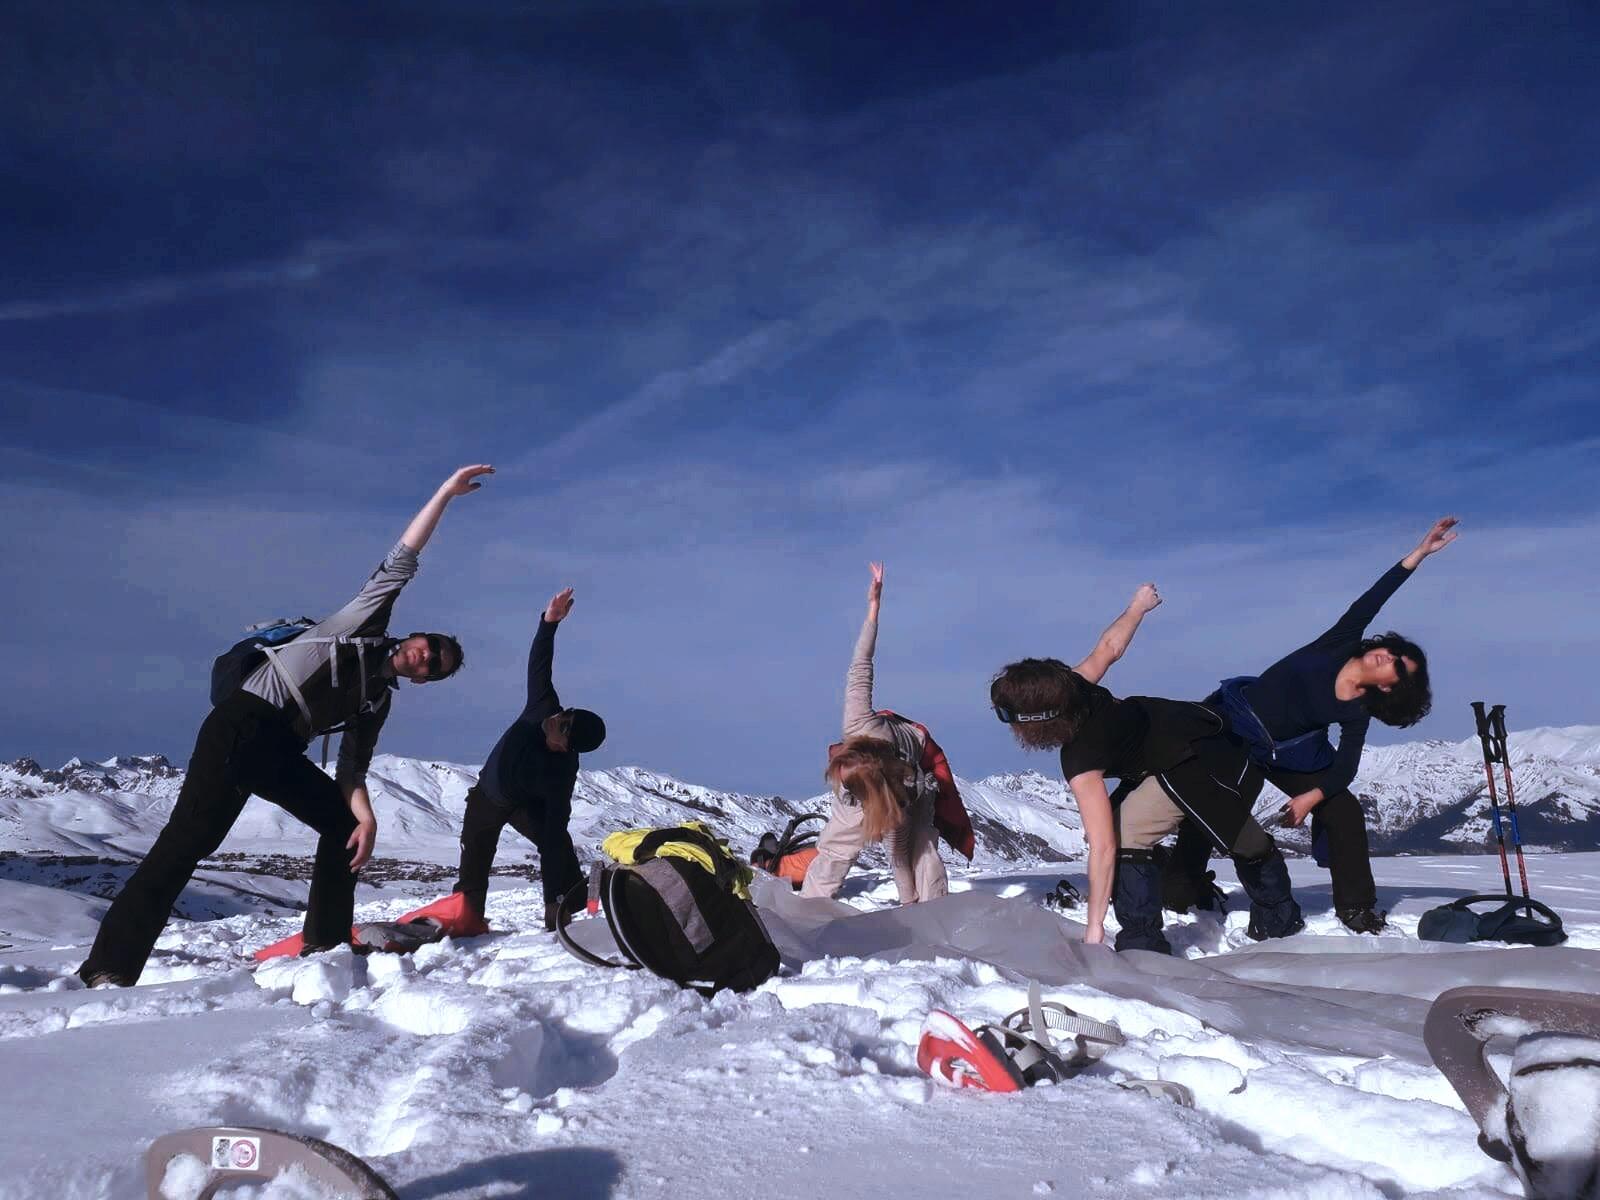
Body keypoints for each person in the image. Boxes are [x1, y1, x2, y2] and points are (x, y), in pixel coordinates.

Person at [77, 464, 492, 987]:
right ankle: (108, 968)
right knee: (185, 846)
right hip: (241, 726)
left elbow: (352, 772)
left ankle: (327, 948)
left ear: (427, 680)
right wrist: (444, 495)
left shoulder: (375, 702)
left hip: (280, 750)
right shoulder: (361, 625)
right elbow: (402, 559)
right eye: (430, 646)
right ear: (414, 636)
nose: (426, 657)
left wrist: (367, 821)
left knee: (342, 827)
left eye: (435, 665)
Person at [1166, 516, 1458, 934]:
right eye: (1393, 651)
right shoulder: (1339, 643)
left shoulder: (1359, 710)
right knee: (1214, 807)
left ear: (1394, 688)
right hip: (1234, 729)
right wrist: (1419, 554)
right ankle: (1181, 890)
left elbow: (1345, 768)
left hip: (1285, 753)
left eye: (1398, 666)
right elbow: (1373, 599)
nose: (1387, 656)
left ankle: (1356, 908)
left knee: (1343, 809)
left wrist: (1309, 799)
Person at [989, 583, 1304, 953]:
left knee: (1127, 836)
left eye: (1009, 718)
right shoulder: (1074, 687)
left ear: (1036, 721)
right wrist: (1137, 606)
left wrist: (1094, 930)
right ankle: (1279, 915)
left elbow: (1105, 847)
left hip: (1189, 762)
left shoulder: (1079, 758)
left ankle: (1142, 943)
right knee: (1240, 836)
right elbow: (1111, 647)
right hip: (1199, 733)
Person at [453, 586, 606, 932]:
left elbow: (552, 837)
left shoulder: (560, 774)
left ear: (566, 747)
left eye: (564, 725)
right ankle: (466, 919)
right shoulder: (542, 706)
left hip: (524, 805)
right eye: (565, 713)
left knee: (559, 845)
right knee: (474, 866)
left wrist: (552, 903)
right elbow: (540, 663)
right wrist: (549, 623)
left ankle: (571, 901)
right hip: (487, 799)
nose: (556, 718)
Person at [801, 563, 953, 904]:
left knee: (921, 849)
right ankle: (808, 912)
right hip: (880, 779)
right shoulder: (858, 723)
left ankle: (934, 916)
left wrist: (907, 903)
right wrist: (874, 608)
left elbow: (897, 853)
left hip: (914, 775)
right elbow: (861, 664)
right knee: (834, 850)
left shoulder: (902, 791)